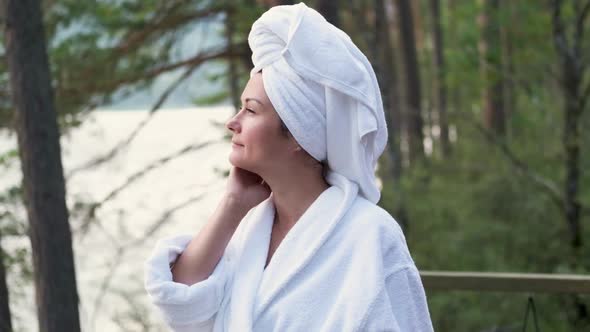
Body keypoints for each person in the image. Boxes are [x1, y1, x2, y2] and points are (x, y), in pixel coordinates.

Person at [144, 3, 434, 331]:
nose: (232, 123)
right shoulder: (250, 227)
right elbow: (182, 307)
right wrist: (232, 205)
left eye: (251, 111)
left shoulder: (369, 235)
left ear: (299, 132)